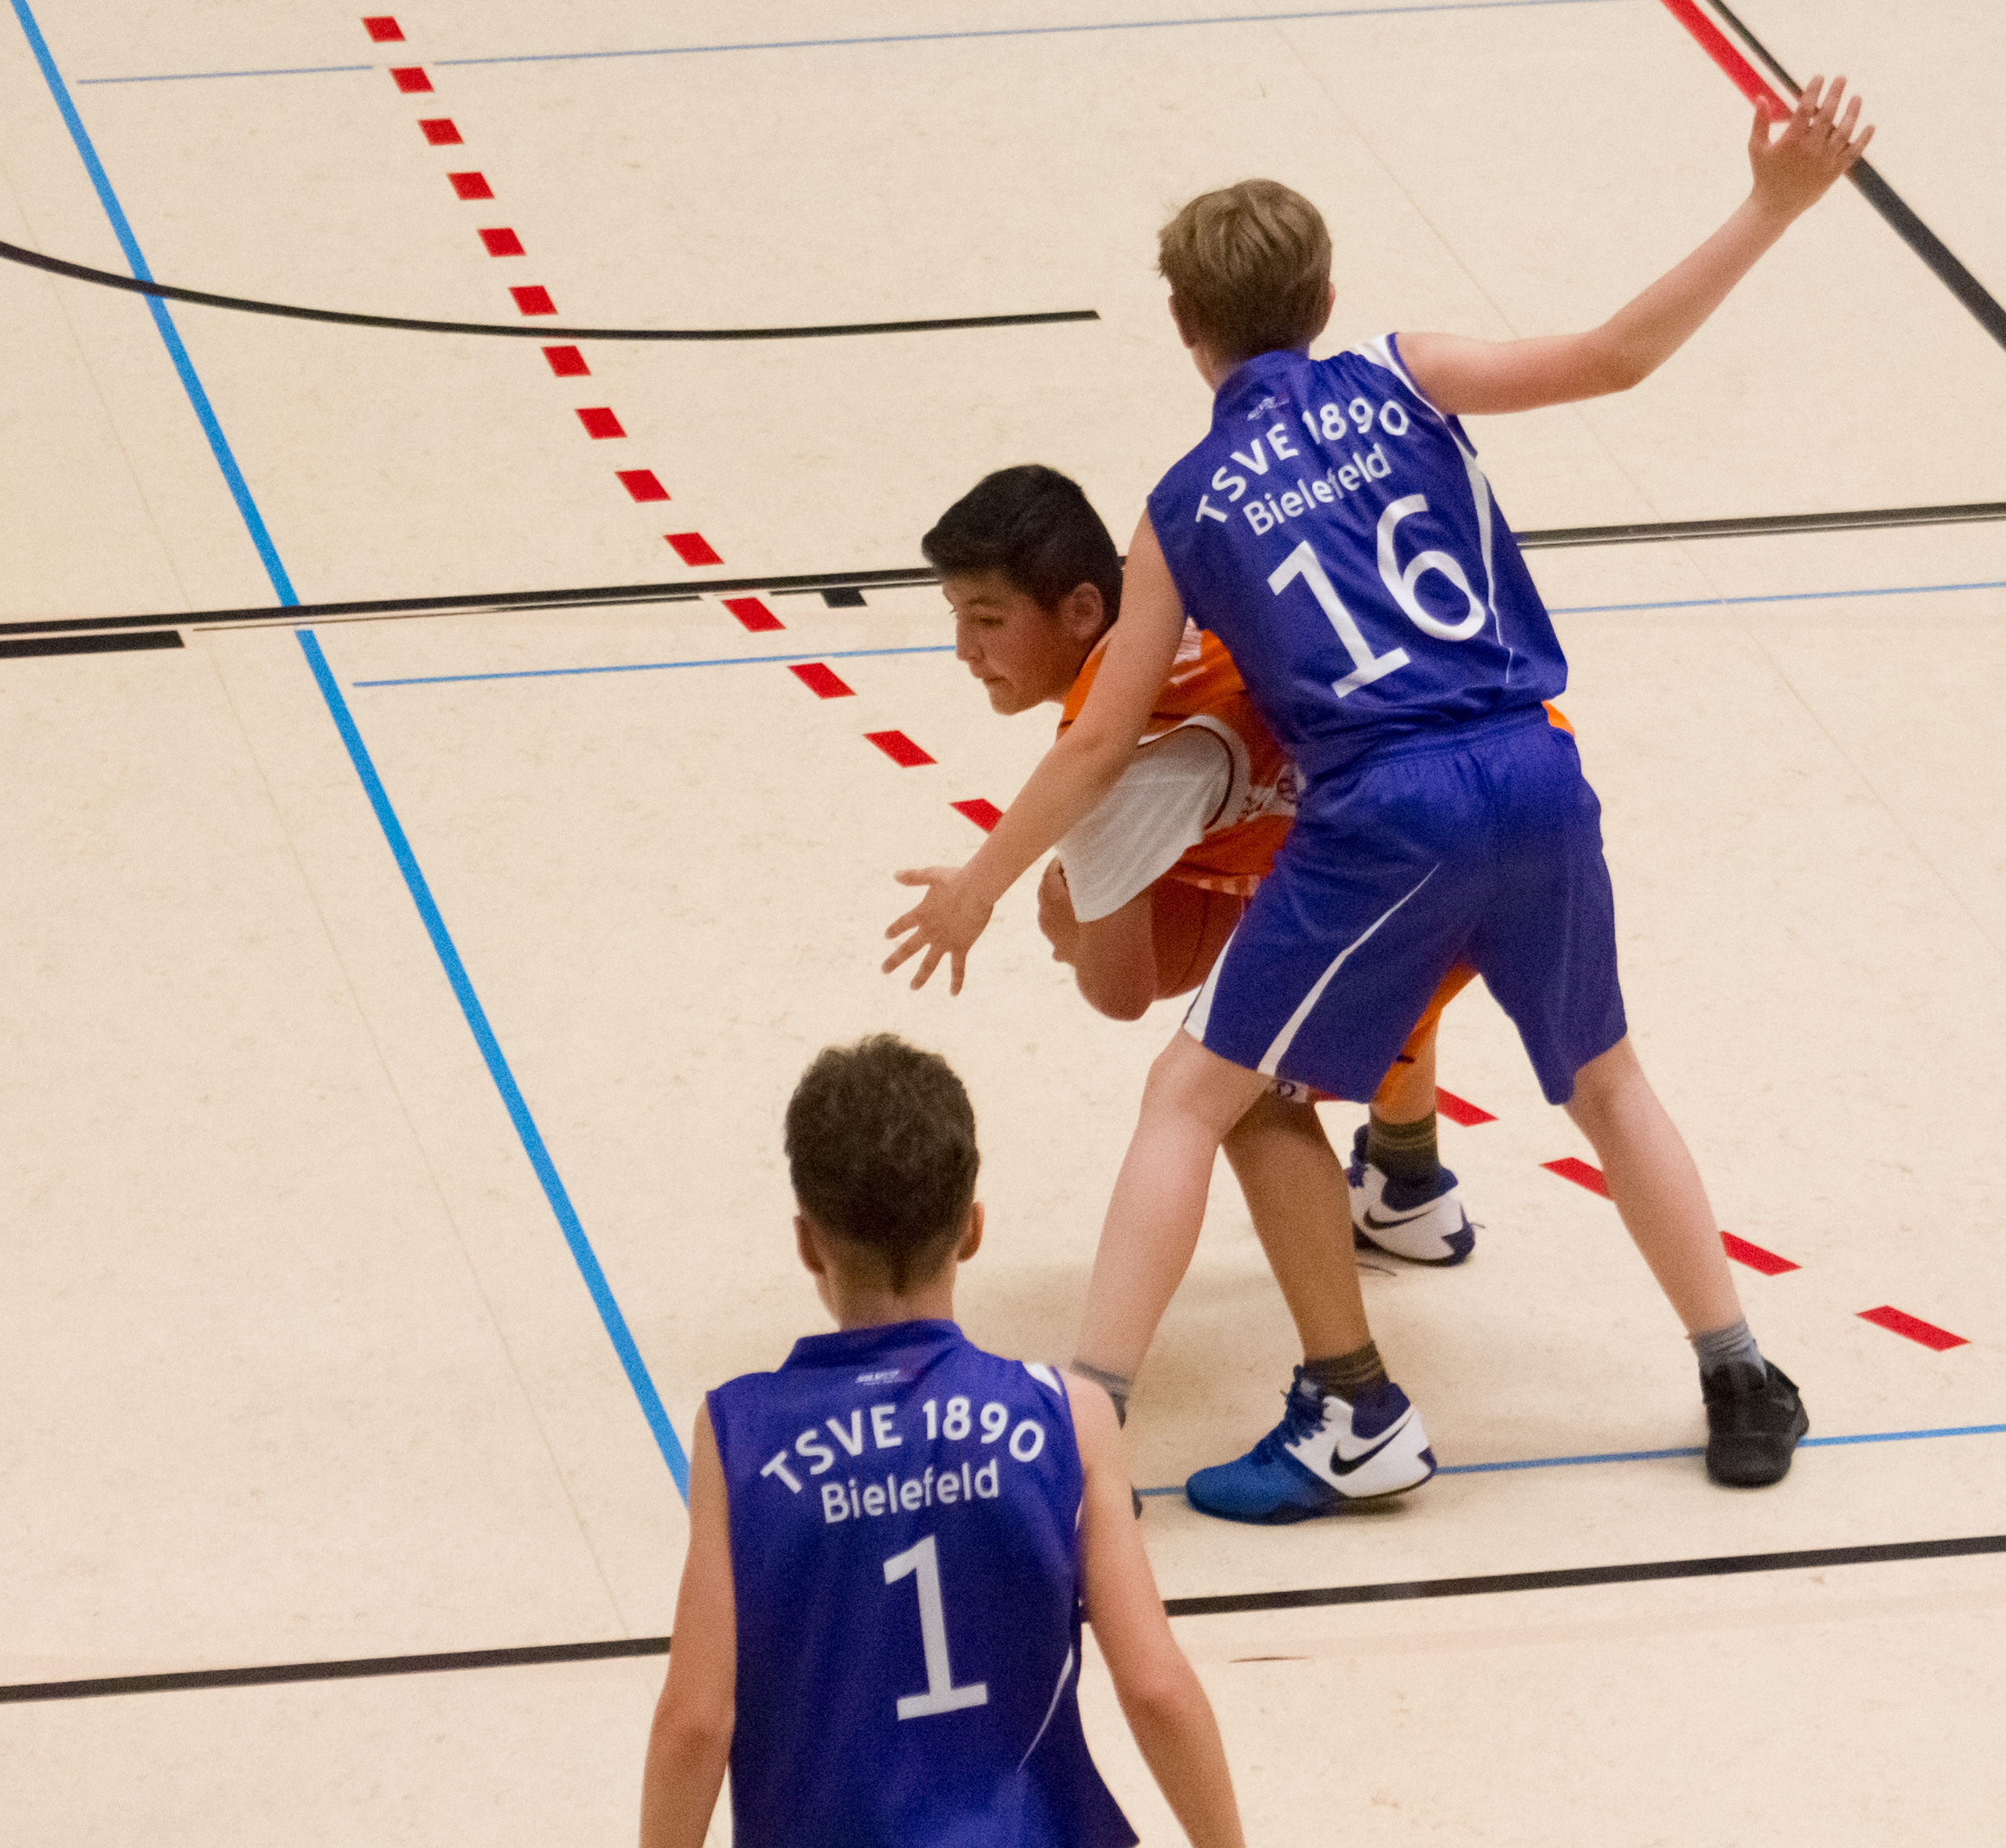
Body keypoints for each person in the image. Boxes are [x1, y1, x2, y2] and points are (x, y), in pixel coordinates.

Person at [883, 81, 1871, 1520]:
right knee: (1605, 1078)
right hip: (1536, 765)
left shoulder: (1181, 503)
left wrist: (977, 884)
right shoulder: (1406, 372)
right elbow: (1614, 355)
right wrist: (1772, 204)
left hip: (1386, 808)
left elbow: (1093, 743)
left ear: (1183, 326)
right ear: (1327, 300)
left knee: (1192, 1093)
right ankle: (1737, 1371)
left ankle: (1094, 1420)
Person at [640, 1035, 1243, 1848]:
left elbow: (694, 1723)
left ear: (807, 1241)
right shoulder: (1068, 1416)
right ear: (971, 1228)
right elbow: (1154, 1687)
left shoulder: (736, 1431)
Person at [930, 463, 1478, 1269]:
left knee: (1233, 1083)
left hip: (1422, 847)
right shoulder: (1190, 602)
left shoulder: (1111, 759)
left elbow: (1119, 992)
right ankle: (1406, 1180)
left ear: (1081, 610)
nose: (964, 651)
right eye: (957, 617)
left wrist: (1065, 924)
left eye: (985, 619)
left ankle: (1343, 1342)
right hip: (1494, 769)